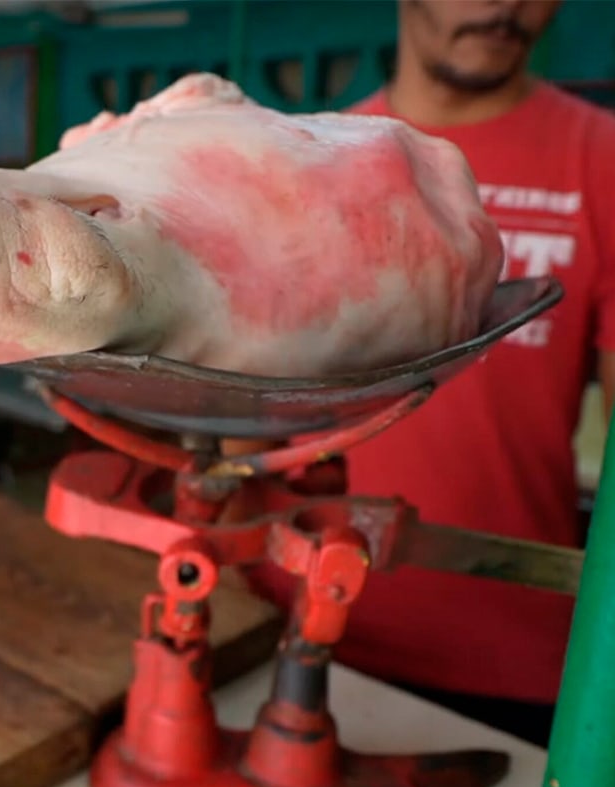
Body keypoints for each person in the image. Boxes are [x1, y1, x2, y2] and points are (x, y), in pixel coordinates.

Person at [240, 0, 615, 746]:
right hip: (286, 634)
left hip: (511, 664)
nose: (507, 5)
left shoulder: (600, 161)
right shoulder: (310, 162)